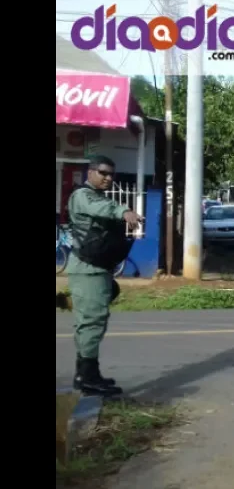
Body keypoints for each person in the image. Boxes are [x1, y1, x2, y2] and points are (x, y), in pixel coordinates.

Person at [66, 155, 142, 396]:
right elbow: (101, 208)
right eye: (103, 173)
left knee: (92, 321)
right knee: (92, 322)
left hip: (97, 268)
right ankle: (87, 377)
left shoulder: (98, 196)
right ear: (90, 173)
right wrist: (124, 211)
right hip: (88, 270)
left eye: (111, 174)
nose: (108, 178)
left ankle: (87, 373)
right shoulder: (83, 196)